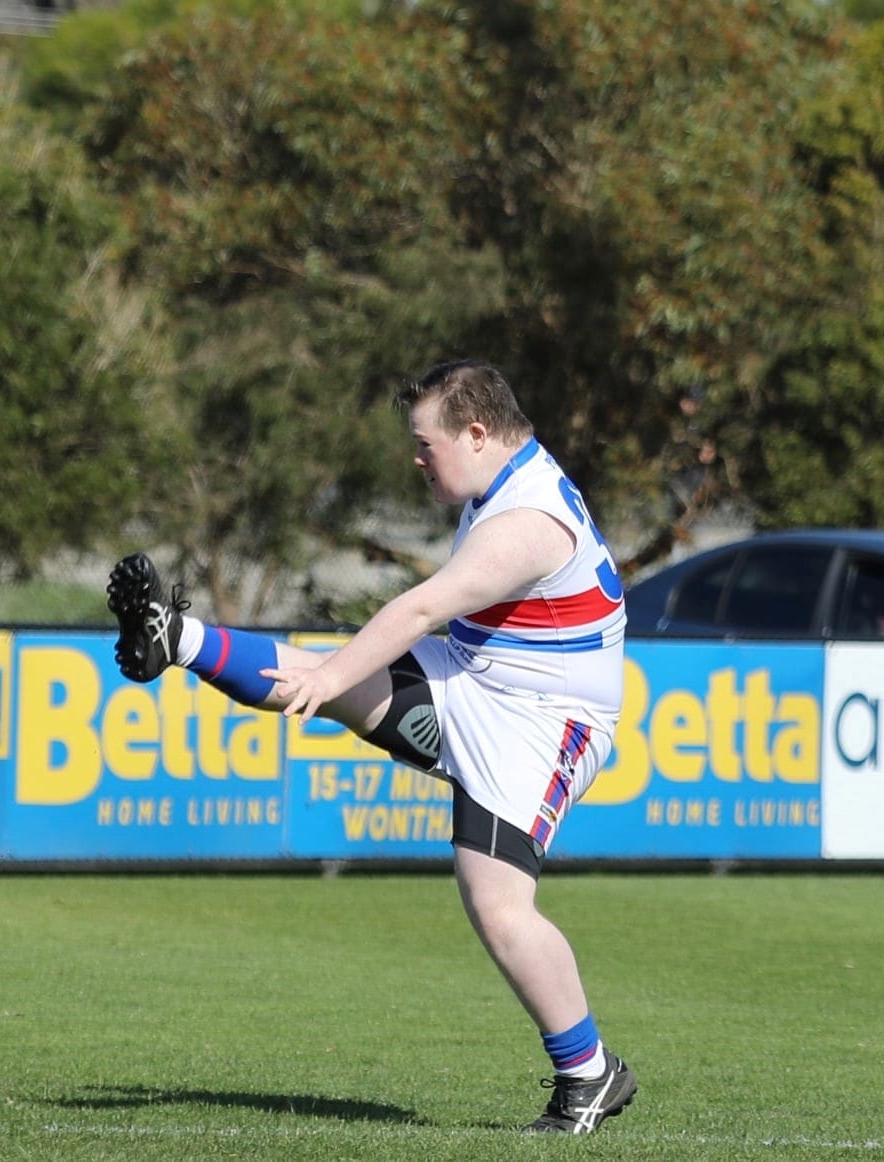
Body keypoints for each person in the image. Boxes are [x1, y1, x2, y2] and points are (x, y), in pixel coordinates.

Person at [106, 359, 637, 1134]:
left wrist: (331, 678)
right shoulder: (503, 481)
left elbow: (420, 606)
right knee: (334, 680)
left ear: (479, 433)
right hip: (483, 677)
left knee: (498, 908)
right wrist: (332, 679)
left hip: (547, 723)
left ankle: (590, 1075)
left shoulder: (529, 521)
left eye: (426, 444)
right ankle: (173, 636)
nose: (416, 459)